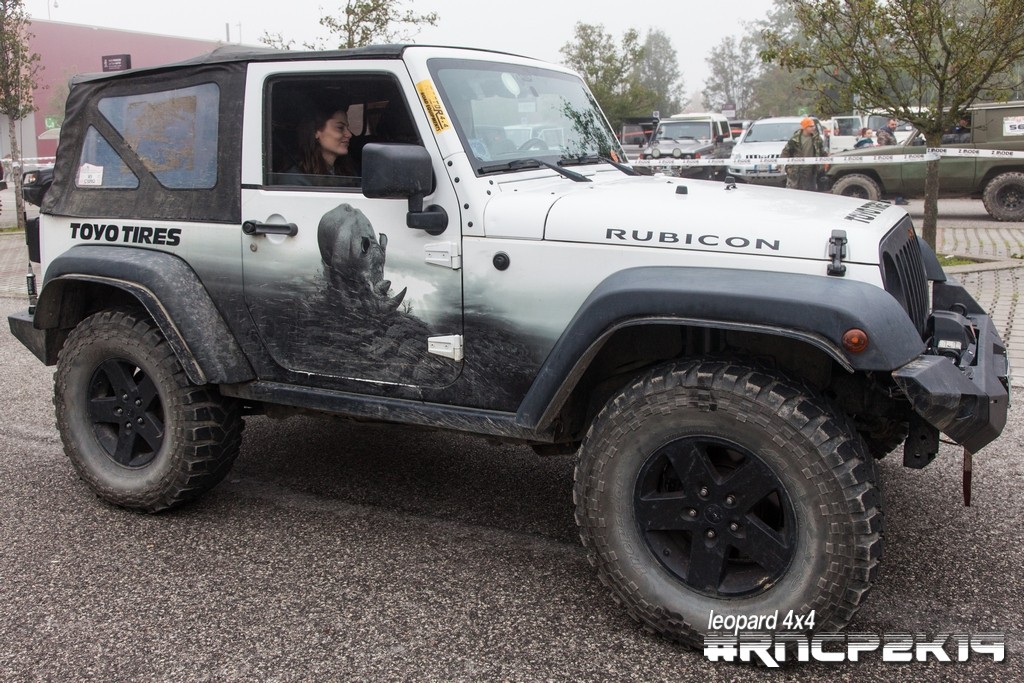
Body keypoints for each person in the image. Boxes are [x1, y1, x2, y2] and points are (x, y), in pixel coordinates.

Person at [285, 105, 358, 184]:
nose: (349, 134)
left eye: (347, 128)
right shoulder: (295, 180)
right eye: (340, 128)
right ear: (316, 131)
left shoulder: (347, 172)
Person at [779, 117, 827, 191]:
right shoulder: (795, 139)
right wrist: (780, 163)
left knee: (810, 191)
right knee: (795, 191)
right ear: (805, 127)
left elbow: (822, 151)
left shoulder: (817, 139)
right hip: (796, 171)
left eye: (813, 126)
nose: (813, 128)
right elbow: (786, 152)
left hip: (811, 170)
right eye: (811, 126)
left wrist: (826, 161)